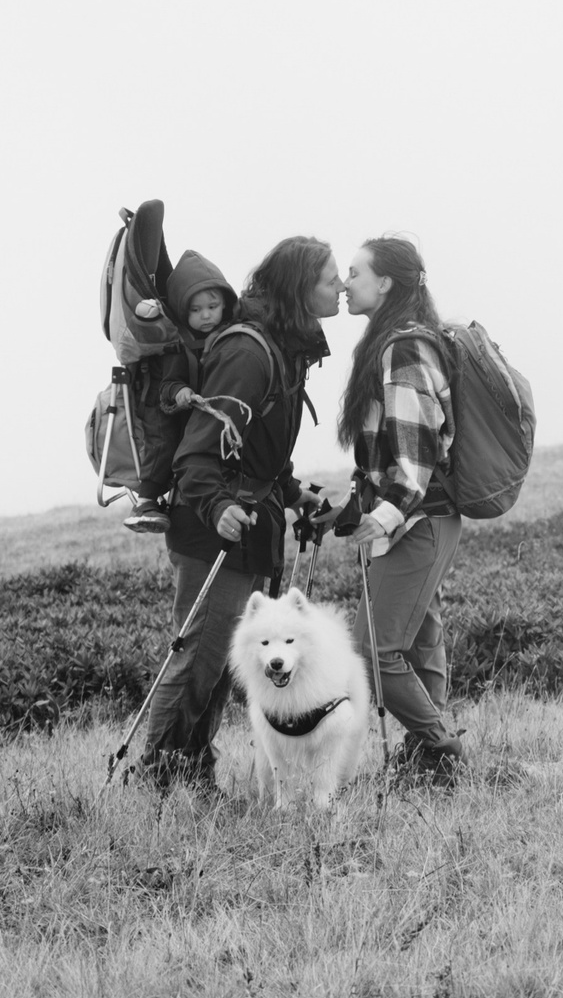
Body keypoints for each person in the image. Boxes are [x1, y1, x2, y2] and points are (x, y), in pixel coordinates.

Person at [134, 235, 342, 790]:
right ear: (301, 288)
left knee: (221, 668)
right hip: (215, 528)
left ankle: (192, 777)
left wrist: (293, 492)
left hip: (252, 521)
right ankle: (153, 784)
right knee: (198, 660)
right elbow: (198, 452)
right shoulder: (250, 353)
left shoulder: (280, 347)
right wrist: (219, 505)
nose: (341, 286)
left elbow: (255, 448)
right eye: (330, 278)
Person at [339, 235, 468, 782]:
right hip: (420, 516)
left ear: (386, 282)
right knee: (418, 642)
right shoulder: (390, 342)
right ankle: (428, 763)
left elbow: (414, 458)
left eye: (355, 273)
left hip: (418, 517)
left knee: (372, 649)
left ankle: (441, 749)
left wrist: (381, 517)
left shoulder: (404, 347)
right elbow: (386, 445)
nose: (346, 283)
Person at [122, 251, 239, 535]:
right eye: (196, 310)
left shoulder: (232, 338)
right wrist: (181, 391)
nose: (206, 315)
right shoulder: (180, 345)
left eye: (212, 306)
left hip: (211, 414)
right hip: (178, 413)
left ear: (225, 304)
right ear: (183, 312)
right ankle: (146, 501)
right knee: (166, 442)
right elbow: (168, 384)